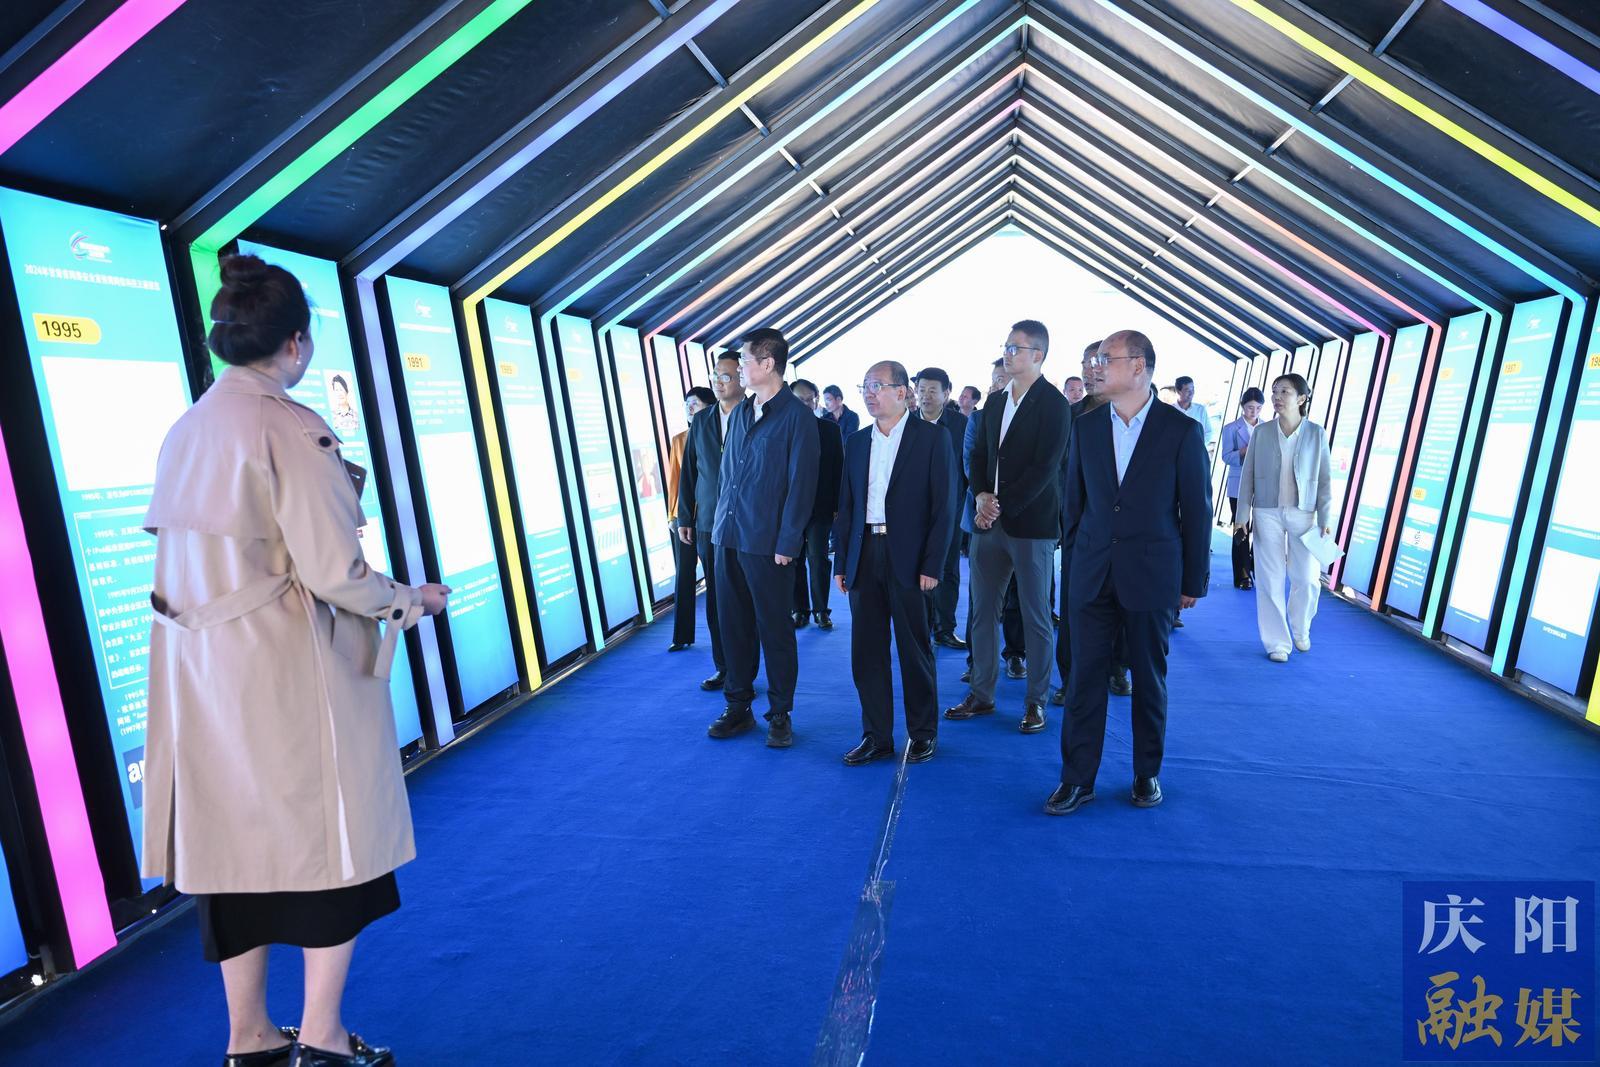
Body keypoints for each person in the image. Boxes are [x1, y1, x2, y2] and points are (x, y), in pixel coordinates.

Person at [143, 255, 451, 1067]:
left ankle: (248, 1037)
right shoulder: (290, 428)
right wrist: (410, 599)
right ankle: (321, 1036)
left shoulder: (187, 429)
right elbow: (335, 571)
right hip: (290, 674)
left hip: (204, 681)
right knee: (331, 850)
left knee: (231, 854)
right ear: (295, 342)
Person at [1047, 330, 1211, 817]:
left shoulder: (1180, 430)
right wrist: (1072, 573)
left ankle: (1146, 772)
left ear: (1139, 366)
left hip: (1152, 575)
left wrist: (1192, 582)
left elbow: (1196, 511)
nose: (1095, 367)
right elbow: (1073, 507)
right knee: (1083, 679)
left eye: (1106, 359)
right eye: (1095, 360)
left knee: (1149, 679)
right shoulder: (1085, 428)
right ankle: (1077, 778)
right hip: (1091, 574)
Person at [946, 320, 1072, 735]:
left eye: (1016, 348)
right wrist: (982, 495)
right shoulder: (995, 402)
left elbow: (1045, 468)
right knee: (982, 612)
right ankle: (981, 693)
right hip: (987, 523)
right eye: (1006, 346)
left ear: (1038, 355)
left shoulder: (1054, 404)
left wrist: (998, 506)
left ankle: (1036, 701)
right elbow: (979, 454)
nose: (1008, 353)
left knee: (1036, 616)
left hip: (1031, 525)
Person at [834, 361, 954, 765]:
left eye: (877, 386)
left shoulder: (932, 438)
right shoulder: (856, 442)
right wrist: (841, 562)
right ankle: (876, 735)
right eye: (865, 386)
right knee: (866, 651)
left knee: (914, 648)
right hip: (864, 552)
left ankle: (922, 732)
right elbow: (846, 506)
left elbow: (944, 507)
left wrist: (933, 565)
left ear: (902, 392)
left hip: (910, 556)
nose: (869, 394)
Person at [707, 329, 820, 747]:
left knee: (775, 630)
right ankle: (738, 706)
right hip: (729, 537)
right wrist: (718, 527)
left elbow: (801, 485)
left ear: (768, 364)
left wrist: (788, 541)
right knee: (733, 626)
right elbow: (728, 477)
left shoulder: (797, 418)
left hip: (769, 544)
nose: (739, 368)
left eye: (745, 360)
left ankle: (779, 714)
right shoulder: (741, 412)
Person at [1235, 373, 1332, 663]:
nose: (1277, 397)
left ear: (1301, 398)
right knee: (1270, 578)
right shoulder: (1262, 432)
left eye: (1285, 392)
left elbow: (1325, 479)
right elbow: (1248, 475)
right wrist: (1242, 516)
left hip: (1304, 513)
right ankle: (1277, 642)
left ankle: (1301, 627)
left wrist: (1325, 517)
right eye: (1275, 391)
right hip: (1267, 512)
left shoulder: (1316, 433)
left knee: (1308, 579)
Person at [678, 358, 746, 690]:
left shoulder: (756, 415)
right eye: (715, 376)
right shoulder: (702, 421)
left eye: (726, 376)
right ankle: (724, 667)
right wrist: (685, 517)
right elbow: (689, 471)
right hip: (707, 522)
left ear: (742, 378)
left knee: (745, 598)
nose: (718, 382)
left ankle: (745, 667)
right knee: (716, 599)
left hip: (748, 523)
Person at [958, 360, 1025, 684]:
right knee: (980, 598)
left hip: (1022, 520)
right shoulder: (979, 418)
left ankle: (1015, 655)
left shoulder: (1033, 417)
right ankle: (976, 662)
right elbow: (970, 462)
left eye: (1006, 379)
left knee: (1018, 594)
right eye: (996, 380)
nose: (1000, 385)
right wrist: (986, 500)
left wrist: (1007, 503)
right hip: (982, 517)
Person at [913, 367, 967, 649]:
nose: (926, 396)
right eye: (921, 390)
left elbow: (969, 468)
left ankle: (945, 628)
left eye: (933, 390)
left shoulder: (961, 425)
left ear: (946, 394)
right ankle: (920, 627)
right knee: (915, 568)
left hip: (951, 511)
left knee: (947, 570)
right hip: (913, 513)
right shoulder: (905, 422)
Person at [789, 379, 844, 630]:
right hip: (789, 508)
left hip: (820, 507)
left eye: (809, 399)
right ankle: (799, 609)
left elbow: (838, 469)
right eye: (798, 399)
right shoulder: (782, 428)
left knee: (818, 559)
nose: (804, 404)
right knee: (793, 559)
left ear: (816, 400)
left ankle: (821, 610)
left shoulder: (830, 430)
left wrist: (837, 505)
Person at [668, 387, 716, 652]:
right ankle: (681, 635)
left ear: (709, 407)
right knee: (684, 574)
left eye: (694, 403)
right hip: (684, 516)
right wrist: (672, 515)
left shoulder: (717, 434)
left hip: (709, 516)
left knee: (714, 577)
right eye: (687, 403)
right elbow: (675, 479)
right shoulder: (680, 440)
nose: (689, 408)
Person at [1221, 387, 1265, 591]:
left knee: (1262, 527)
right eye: (1250, 407)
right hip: (1238, 484)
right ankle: (1242, 575)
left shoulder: (1268, 427)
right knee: (1241, 528)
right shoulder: (1231, 428)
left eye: (1258, 408)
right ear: (1242, 406)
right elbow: (1226, 457)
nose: (1253, 412)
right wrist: (1243, 451)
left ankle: (1256, 567)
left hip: (1263, 484)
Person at [1173, 375, 1212, 447]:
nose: (1191, 393)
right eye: (1187, 390)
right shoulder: (1170, 410)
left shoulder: (1200, 409)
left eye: (1193, 389)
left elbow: (1208, 433)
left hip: (1195, 450)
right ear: (1178, 391)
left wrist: (1197, 446)